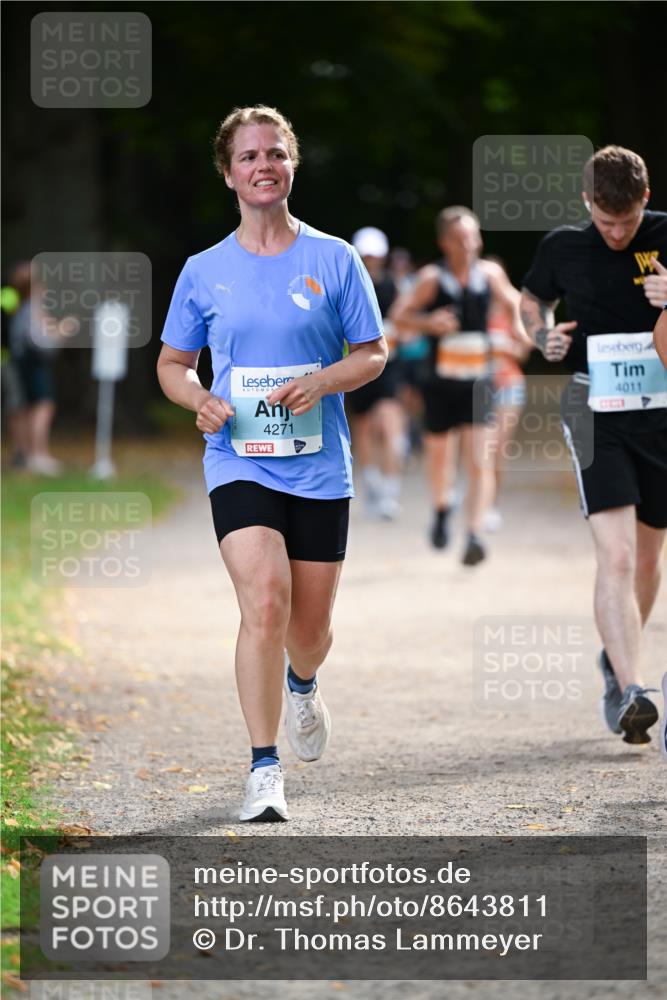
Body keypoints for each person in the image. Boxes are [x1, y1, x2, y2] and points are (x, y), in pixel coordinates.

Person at [157, 106, 387, 821]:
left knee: (309, 630)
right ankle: (263, 768)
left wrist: (322, 380)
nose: (264, 165)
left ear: (291, 166)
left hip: (319, 463)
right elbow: (172, 364)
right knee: (263, 600)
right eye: (249, 156)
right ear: (228, 173)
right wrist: (197, 399)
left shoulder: (334, 259)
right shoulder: (203, 271)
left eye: (275, 154)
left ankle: (303, 683)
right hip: (238, 459)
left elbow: (372, 353)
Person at [520, 145, 667, 745]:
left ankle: (614, 655)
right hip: (592, 409)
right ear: (587, 204)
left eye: (627, 223)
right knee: (619, 556)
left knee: (650, 558)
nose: (616, 233)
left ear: (645, 201)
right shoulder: (562, 246)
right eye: (605, 223)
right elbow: (532, 301)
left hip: (659, 413)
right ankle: (631, 688)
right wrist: (541, 336)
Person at [390, 206, 522, 565]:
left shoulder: (489, 274)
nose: (469, 243)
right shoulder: (433, 278)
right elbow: (399, 315)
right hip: (440, 384)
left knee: (480, 459)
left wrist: (523, 330)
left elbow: (513, 303)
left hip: (479, 382)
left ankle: (475, 533)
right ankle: (441, 508)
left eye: (473, 235)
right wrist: (429, 322)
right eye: (461, 237)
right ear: (445, 242)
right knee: (440, 458)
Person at [345, 227, 405, 518]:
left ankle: (390, 491)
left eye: (374, 255)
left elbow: (404, 320)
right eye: (366, 255)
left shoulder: (393, 286)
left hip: (388, 367)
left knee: (390, 426)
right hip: (357, 367)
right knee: (365, 428)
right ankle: (372, 484)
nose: (371, 260)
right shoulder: (349, 285)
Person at [6, 260, 75, 476]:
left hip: (21, 361)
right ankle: (38, 455)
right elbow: (41, 341)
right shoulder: (32, 308)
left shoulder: (20, 306)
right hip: (33, 362)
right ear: (34, 287)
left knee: (27, 409)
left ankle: (27, 455)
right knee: (43, 406)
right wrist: (63, 330)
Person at [483, 256, 533, 532]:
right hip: (478, 389)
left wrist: (502, 348)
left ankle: (491, 505)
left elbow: (524, 351)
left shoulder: (511, 311)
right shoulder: (473, 309)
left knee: (496, 449)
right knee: (478, 449)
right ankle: (478, 497)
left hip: (509, 386)